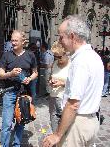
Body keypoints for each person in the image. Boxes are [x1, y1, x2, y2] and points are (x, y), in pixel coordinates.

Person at [43, 15, 104, 147]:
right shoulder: (94, 56)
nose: (59, 41)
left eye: (61, 37)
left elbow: (73, 104)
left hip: (77, 124)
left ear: (72, 36)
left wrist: (57, 135)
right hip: (91, 121)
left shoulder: (80, 61)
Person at [0, 30, 38, 146]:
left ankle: (17, 144)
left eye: (16, 40)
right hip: (9, 92)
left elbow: (35, 72)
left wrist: (29, 78)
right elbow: (1, 75)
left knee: (21, 121)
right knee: (6, 123)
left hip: (24, 93)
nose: (13, 42)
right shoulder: (6, 55)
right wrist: (10, 74)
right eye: (12, 40)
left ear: (23, 42)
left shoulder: (30, 55)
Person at [48, 41, 70, 132]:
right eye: (55, 56)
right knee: (53, 119)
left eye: (59, 56)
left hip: (65, 99)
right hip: (53, 96)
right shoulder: (54, 64)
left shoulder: (72, 65)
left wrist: (62, 83)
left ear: (66, 53)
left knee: (65, 124)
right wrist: (50, 81)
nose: (57, 58)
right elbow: (50, 77)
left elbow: (76, 84)